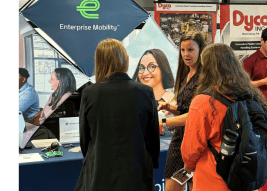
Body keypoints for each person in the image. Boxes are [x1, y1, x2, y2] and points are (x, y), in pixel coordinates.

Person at [75, 39, 160, 191]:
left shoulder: (89, 93)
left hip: (99, 173)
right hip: (137, 174)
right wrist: (152, 163)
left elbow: (85, 139)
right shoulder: (145, 92)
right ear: (125, 59)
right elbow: (153, 138)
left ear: (99, 62)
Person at [181, 43, 267, 191]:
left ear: (205, 67)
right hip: (247, 178)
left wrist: (188, 167)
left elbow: (192, 148)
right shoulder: (252, 95)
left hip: (213, 180)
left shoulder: (203, 101)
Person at [158, 31, 206, 191]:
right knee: (172, 184)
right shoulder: (185, 74)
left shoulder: (204, 78)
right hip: (180, 139)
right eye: (183, 50)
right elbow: (185, 110)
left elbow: (195, 116)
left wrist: (163, 122)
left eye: (191, 50)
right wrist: (169, 107)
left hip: (197, 142)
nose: (186, 54)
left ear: (200, 50)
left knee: (194, 185)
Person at [132, 49, 175, 135]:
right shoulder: (133, 101)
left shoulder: (175, 101)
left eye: (152, 67)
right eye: (141, 68)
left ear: (163, 70)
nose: (145, 73)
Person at [243, 27, 267, 101]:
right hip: (259, 104)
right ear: (262, 41)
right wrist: (262, 82)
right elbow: (243, 84)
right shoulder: (250, 61)